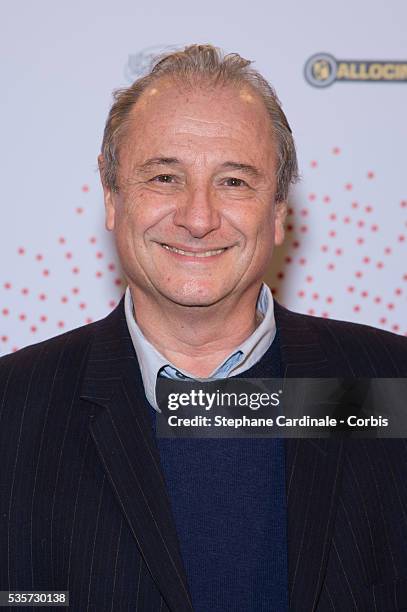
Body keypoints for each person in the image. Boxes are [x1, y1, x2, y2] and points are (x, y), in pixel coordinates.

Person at [1, 44, 407, 612]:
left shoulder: (392, 389)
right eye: (165, 177)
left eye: (235, 182)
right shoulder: (12, 408)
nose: (198, 217)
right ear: (113, 201)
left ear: (278, 213)